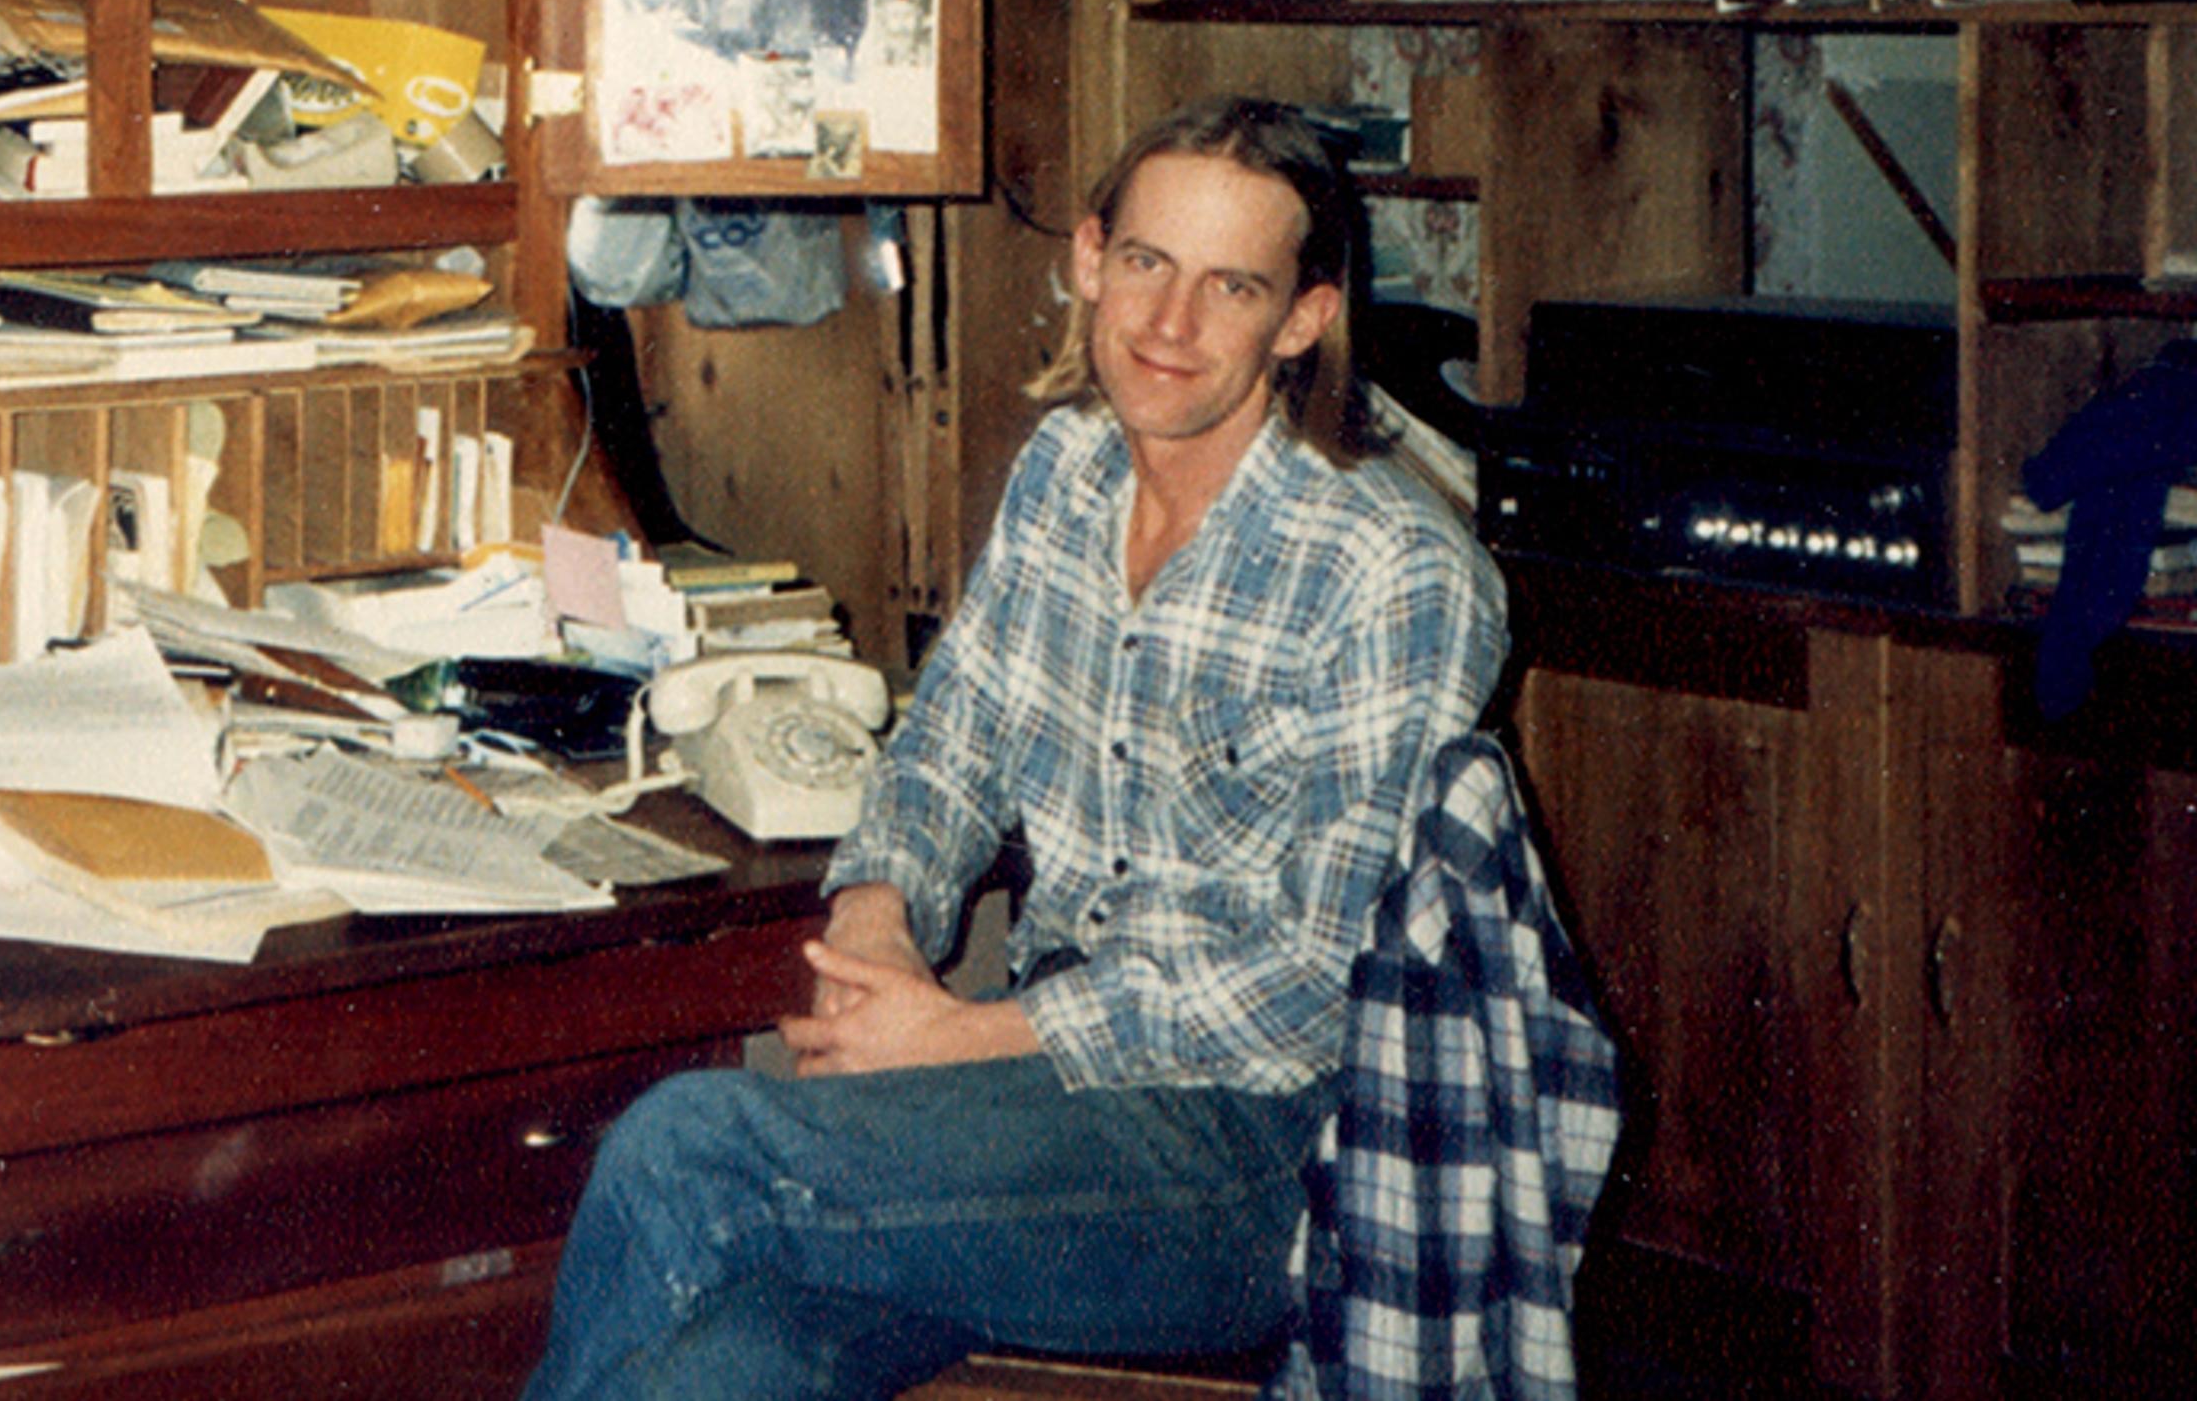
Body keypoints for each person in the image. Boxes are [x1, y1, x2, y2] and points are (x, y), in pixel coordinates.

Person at [524, 95, 1509, 1401]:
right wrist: (879, 918)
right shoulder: (1069, 469)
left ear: (1303, 319)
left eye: (1231, 286)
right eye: (1147, 261)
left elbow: (1316, 979)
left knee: (693, 1145)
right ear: (1092, 257)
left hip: (1255, 1155)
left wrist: (968, 1035)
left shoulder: (1397, 572)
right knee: (706, 1374)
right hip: (1040, 1109)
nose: (1169, 322)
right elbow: (951, 742)